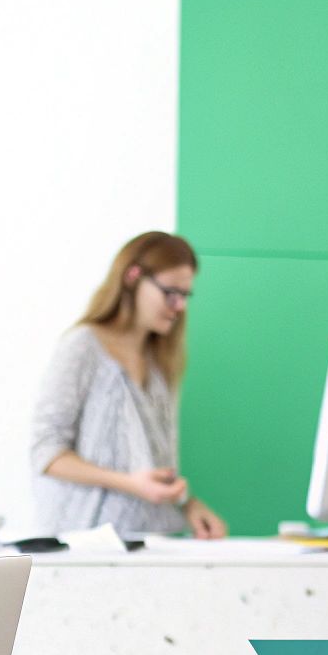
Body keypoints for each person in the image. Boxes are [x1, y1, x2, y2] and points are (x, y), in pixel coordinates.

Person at [30, 231, 227, 540]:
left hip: (148, 544)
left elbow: (155, 468)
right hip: (86, 547)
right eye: (170, 293)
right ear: (133, 277)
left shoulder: (160, 361)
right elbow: (47, 453)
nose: (179, 307)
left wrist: (188, 504)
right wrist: (129, 483)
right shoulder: (83, 348)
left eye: (185, 296)